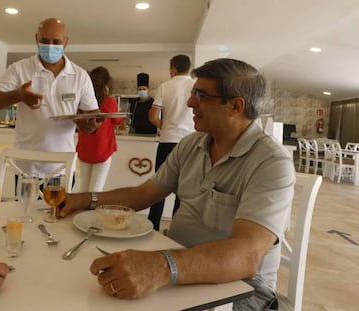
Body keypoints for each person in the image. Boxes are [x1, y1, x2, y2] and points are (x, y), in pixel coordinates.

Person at [58, 58, 295, 310]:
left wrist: (160, 267)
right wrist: (84, 200)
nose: (190, 102)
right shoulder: (192, 144)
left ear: (235, 106)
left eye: (201, 95)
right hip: (179, 266)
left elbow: (247, 256)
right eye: (193, 93)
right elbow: (142, 194)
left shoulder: (271, 162)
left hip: (241, 288)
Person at [0, 17, 100, 177]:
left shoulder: (80, 76)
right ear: (36, 39)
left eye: (56, 42)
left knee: (60, 204)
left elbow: (92, 115)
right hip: (26, 166)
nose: (50, 46)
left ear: (65, 42)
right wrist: (18, 95)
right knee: (25, 203)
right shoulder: (19, 69)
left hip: (63, 167)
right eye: (45, 40)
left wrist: (89, 126)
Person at [147, 54, 195, 230]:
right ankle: (176, 230)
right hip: (191, 144)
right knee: (183, 191)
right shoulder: (195, 86)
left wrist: (164, 126)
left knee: (158, 189)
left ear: (172, 69)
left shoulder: (165, 86)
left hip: (167, 142)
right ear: (189, 68)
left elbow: (152, 116)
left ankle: (153, 229)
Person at [76, 66, 122, 192]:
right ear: (107, 83)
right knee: (96, 190)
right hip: (102, 149)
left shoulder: (83, 100)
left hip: (84, 149)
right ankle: (90, 212)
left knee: (83, 188)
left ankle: (80, 211)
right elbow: (118, 121)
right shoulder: (109, 101)